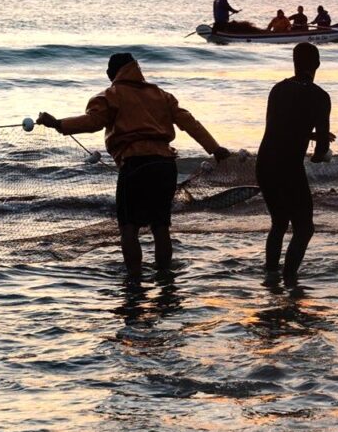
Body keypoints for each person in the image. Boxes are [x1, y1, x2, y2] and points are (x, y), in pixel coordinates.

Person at [37, 53, 230, 278]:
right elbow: (189, 122)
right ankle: (164, 277)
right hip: (165, 165)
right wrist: (215, 149)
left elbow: (93, 123)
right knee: (160, 226)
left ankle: (134, 280)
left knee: (129, 227)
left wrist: (58, 124)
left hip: (136, 165)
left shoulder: (110, 96)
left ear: (112, 73)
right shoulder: (161, 95)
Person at [257, 42, 333, 284]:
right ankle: (290, 279)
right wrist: (320, 151)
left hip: (265, 163)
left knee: (279, 222)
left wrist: (309, 136)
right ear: (318, 64)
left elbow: (280, 127)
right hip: (289, 167)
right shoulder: (320, 97)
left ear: (294, 62)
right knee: (304, 228)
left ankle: (270, 275)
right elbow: (320, 152)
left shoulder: (277, 90)